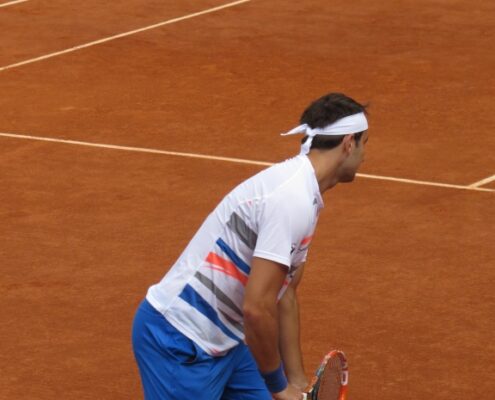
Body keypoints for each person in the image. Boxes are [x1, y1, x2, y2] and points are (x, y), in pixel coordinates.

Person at [132, 92, 369, 400]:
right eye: (365, 144)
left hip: (228, 342)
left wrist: (297, 382)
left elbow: (284, 294)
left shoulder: (306, 195)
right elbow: (256, 308)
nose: (365, 155)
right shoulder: (291, 199)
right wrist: (279, 388)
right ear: (349, 143)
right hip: (181, 341)